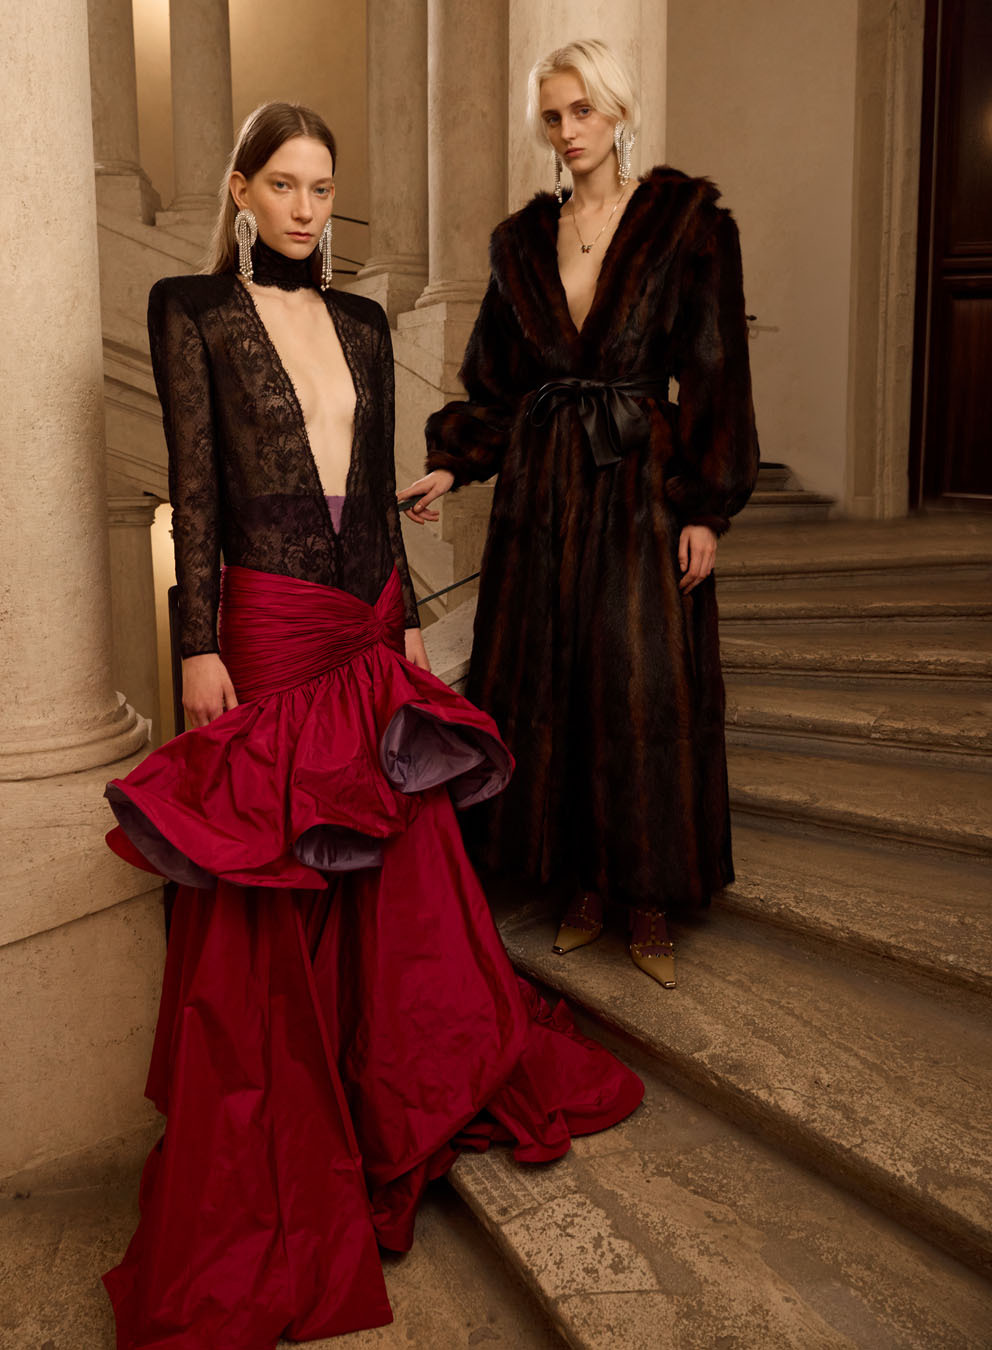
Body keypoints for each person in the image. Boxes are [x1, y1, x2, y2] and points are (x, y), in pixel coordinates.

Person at [101, 101, 643, 1349]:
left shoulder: (362, 323)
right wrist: (196, 641)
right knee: (277, 878)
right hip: (265, 627)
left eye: (322, 187)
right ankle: (299, 1128)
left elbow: (379, 490)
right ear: (240, 192)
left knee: (395, 872)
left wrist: (399, 623)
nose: (305, 208)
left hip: (360, 623)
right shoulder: (191, 310)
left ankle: (386, 1099)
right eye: (283, 185)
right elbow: (196, 485)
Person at [400, 39, 759, 990]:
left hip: (640, 482)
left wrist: (705, 509)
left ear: (617, 109)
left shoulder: (686, 223)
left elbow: (716, 370)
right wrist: (453, 464)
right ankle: (583, 883)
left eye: (583, 110)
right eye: (553, 115)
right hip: (542, 487)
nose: (567, 131)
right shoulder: (521, 242)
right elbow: (496, 381)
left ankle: (648, 893)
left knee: (641, 686)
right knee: (558, 683)